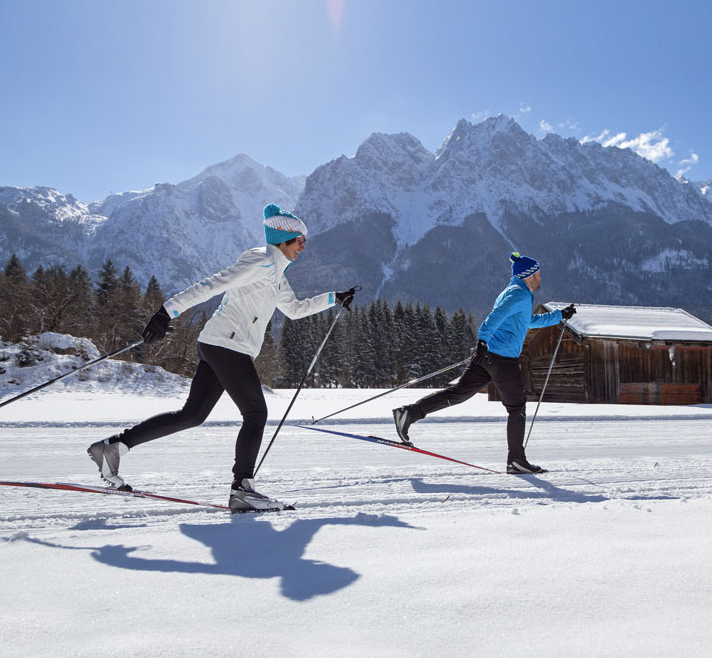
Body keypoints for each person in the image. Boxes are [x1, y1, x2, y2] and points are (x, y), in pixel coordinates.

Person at [87, 203, 357, 512]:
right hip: (228, 346)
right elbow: (212, 285)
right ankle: (243, 488)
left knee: (191, 415)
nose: (303, 247)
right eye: (299, 241)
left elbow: (294, 311)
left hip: (219, 345)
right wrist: (167, 311)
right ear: (283, 240)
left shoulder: (277, 276)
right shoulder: (261, 262)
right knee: (256, 413)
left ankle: (114, 447)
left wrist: (334, 298)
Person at [392, 252, 575, 474]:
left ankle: (409, 413)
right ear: (528, 275)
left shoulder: (515, 292)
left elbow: (526, 321)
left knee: (458, 393)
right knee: (516, 407)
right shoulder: (519, 294)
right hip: (502, 359)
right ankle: (516, 460)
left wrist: (559, 316)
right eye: (537, 274)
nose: (540, 278)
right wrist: (482, 339)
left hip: (488, 356)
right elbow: (494, 317)